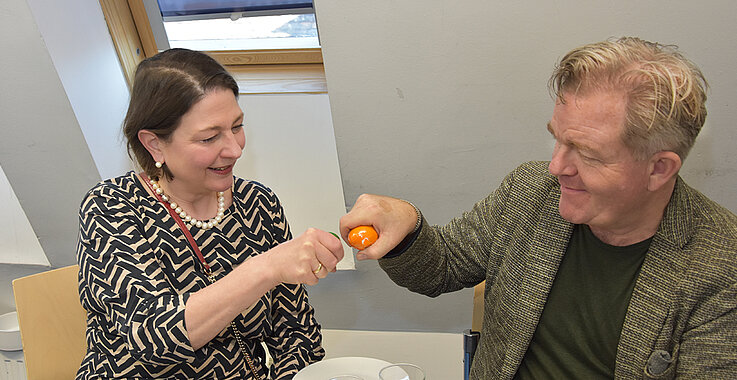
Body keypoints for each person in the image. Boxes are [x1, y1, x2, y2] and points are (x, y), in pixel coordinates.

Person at [340, 37, 737, 379]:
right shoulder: (531, 192)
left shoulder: (722, 266)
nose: (557, 167)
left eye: (588, 154)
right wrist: (408, 226)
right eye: (558, 140)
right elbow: (441, 267)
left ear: (658, 168)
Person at [76, 48, 344, 379]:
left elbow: (297, 338)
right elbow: (153, 343)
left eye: (238, 126)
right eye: (209, 137)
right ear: (155, 144)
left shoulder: (257, 204)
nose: (234, 149)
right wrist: (264, 268)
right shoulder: (111, 207)